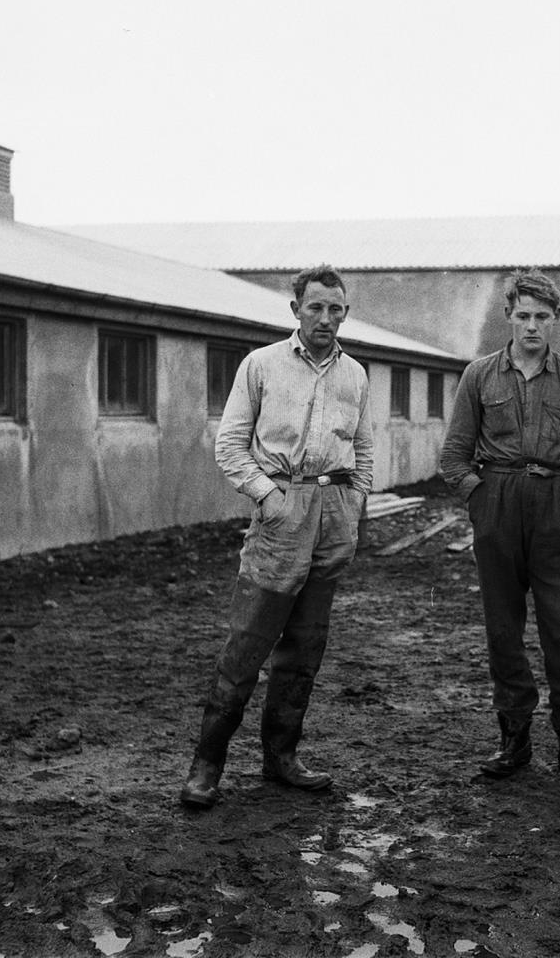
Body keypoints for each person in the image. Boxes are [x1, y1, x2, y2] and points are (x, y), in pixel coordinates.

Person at [180, 264, 373, 808]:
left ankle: (281, 758)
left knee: (305, 648)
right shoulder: (261, 365)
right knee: (247, 646)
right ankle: (206, 767)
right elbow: (230, 445)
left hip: (333, 516)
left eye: (335, 309)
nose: (326, 319)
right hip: (281, 515)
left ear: (344, 314)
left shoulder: (355, 374)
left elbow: (362, 449)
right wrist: (268, 496)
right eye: (316, 307)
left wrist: (354, 506)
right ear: (296, 310)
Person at [439, 268, 560, 788]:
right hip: (497, 503)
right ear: (508, 317)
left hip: (553, 505)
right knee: (503, 629)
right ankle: (513, 740)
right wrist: (481, 500)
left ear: (555, 319)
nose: (532, 326)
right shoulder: (479, 376)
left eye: (542, 316)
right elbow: (454, 456)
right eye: (523, 315)